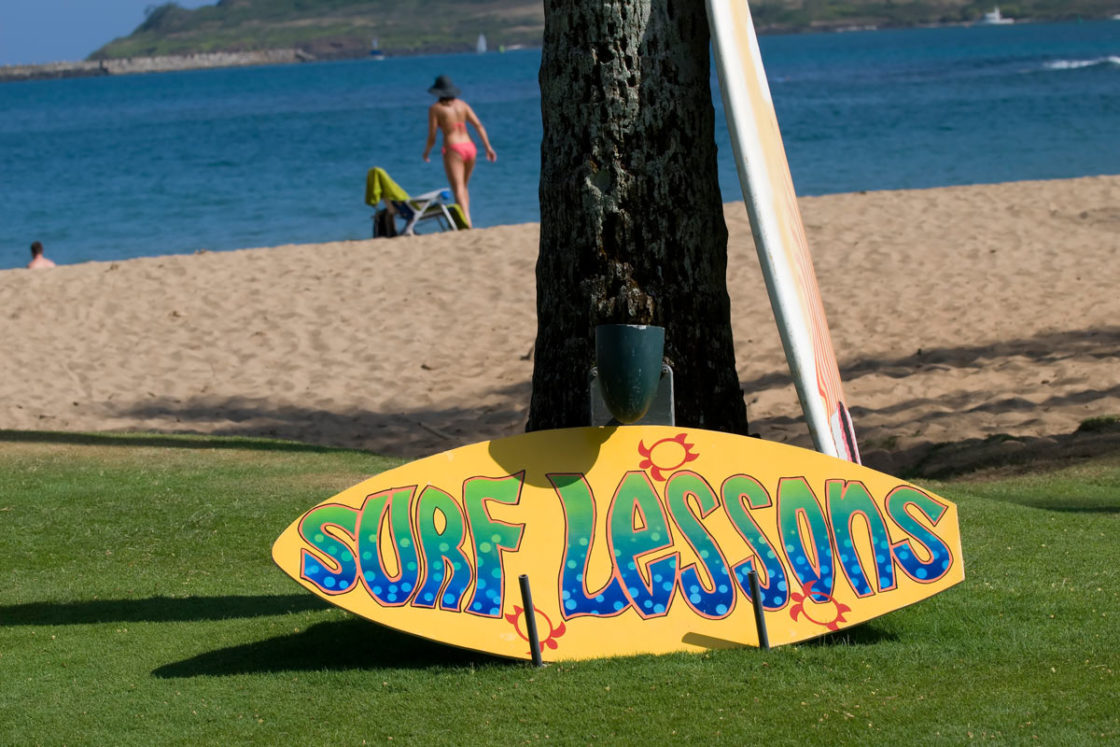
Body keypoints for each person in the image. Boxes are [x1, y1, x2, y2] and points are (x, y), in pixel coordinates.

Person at [422, 75, 496, 229]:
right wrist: (488, 147)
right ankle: (465, 218)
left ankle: (467, 222)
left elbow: (432, 136)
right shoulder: (463, 105)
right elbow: (478, 125)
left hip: (453, 148)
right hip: (470, 147)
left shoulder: (435, 109)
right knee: (464, 187)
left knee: (458, 188)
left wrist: (427, 152)